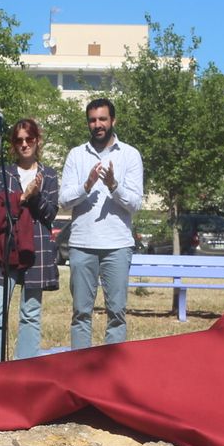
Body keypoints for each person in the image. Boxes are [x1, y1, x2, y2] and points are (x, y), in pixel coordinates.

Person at [0, 118, 60, 363]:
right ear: (13, 144)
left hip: (36, 248)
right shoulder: (5, 172)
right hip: (5, 248)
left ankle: (26, 366)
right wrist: (23, 197)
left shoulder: (49, 175)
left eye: (29, 139)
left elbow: (50, 214)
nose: (24, 144)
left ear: (37, 141)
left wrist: (35, 196)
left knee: (31, 313)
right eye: (19, 140)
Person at [59, 98, 144, 349]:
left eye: (102, 119)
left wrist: (114, 186)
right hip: (82, 245)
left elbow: (135, 204)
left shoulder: (130, 154)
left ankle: (112, 366)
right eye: (93, 120)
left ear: (113, 120)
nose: (98, 125)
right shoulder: (76, 155)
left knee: (117, 313)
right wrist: (86, 186)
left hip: (117, 246)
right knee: (81, 314)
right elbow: (63, 201)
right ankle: (81, 366)